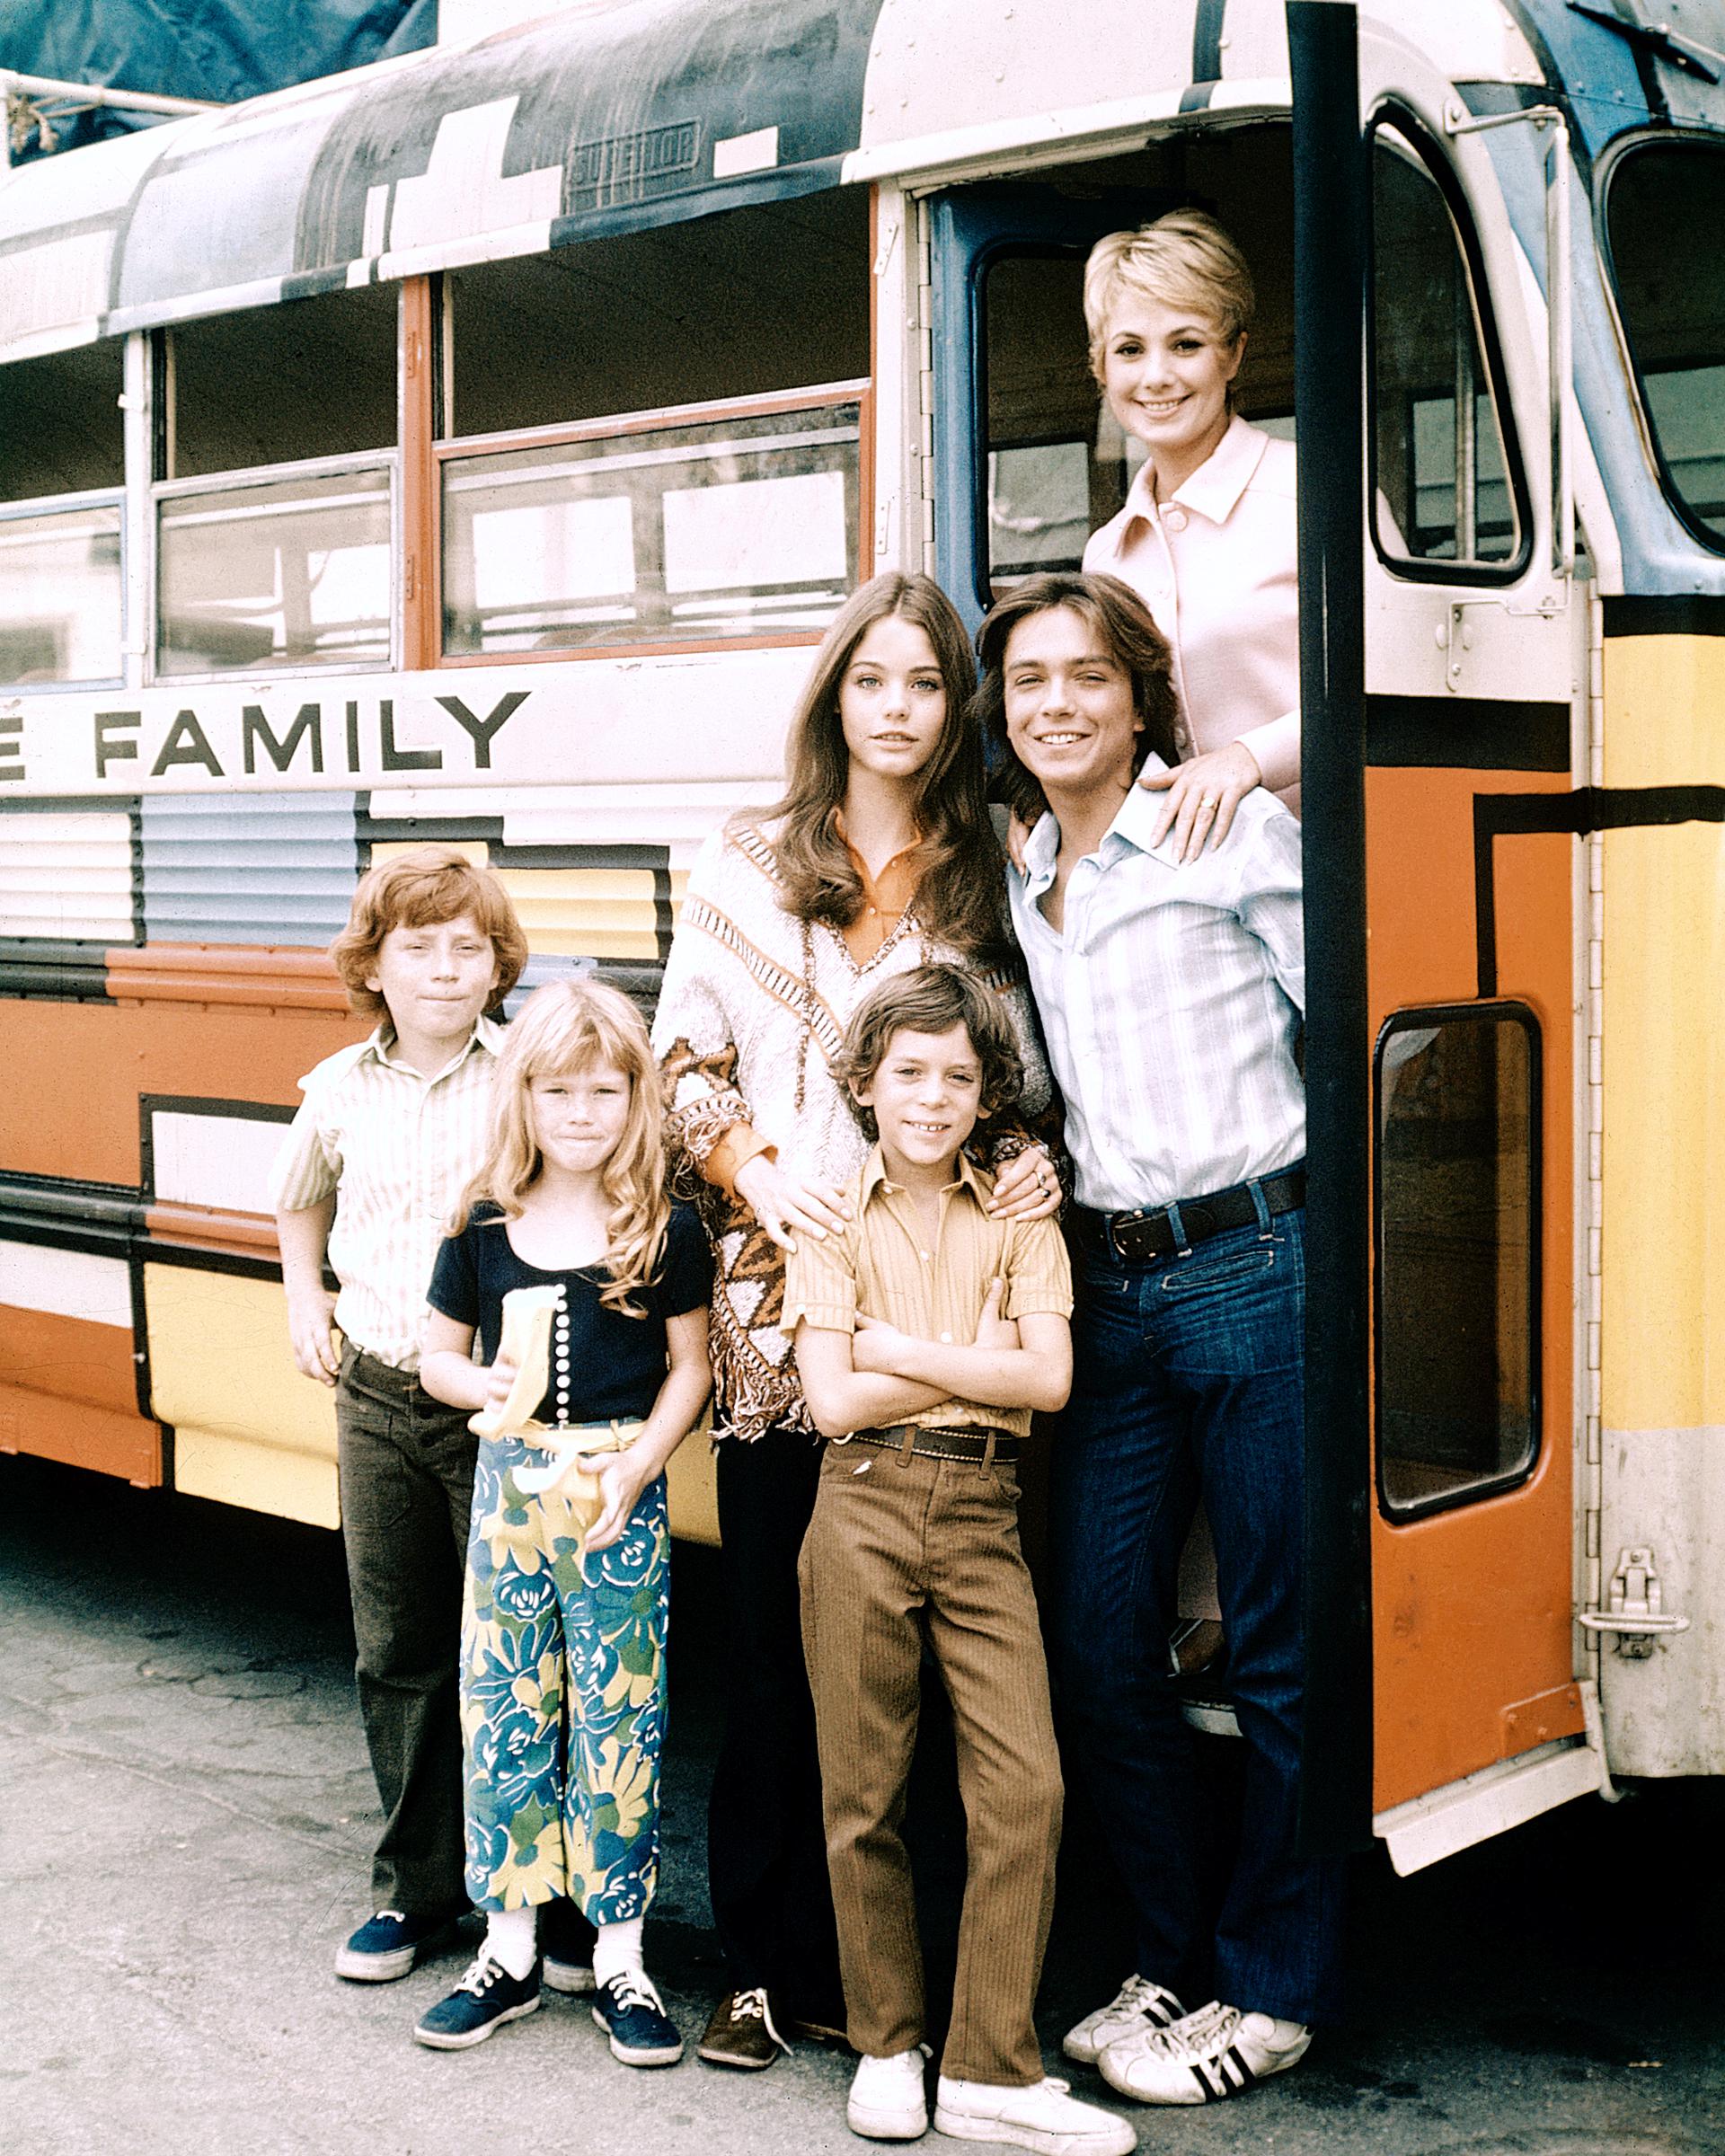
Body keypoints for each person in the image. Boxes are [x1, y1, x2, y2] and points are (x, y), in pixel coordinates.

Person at [651, 572, 1063, 2071]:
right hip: (774, 1306)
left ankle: (924, 1979)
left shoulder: (986, 868)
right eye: (871, 679)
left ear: (956, 711)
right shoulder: (751, 855)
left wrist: (1026, 1156)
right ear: (835, 695)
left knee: (933, 1665)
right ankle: (765, 1967)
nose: (897, 707)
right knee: (775, 1647)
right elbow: (681, 1058)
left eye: (926, 685)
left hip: (940, 1303)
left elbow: (1015, 1071)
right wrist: (757, 1169)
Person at [977, 571, 1342, 2105]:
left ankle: (1276, 1986)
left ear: (1141, 698)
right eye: (1030, 682)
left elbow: (1362, 1001)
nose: (1056, 703)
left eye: (1088, 677)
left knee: (1277, 1654)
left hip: (1255, 1259)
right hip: (1109, 1293)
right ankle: (1173, 1958)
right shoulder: (1016, 881)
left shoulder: (1228, 832)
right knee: (1101, 1646)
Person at [788, 964, 1134, 2156]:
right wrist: (961, 1353)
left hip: (984, 1514)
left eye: (958, 1077)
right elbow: (833, 1404)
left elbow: (1049, 1380)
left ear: (987, 1095)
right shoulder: (831, 1215)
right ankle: (888, 2046)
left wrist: (898, 1345)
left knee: (1024, 1784)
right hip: (864, 1503)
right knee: (864, 1789)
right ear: (868, 1086)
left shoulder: (1022, 1217)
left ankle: (991, 2065)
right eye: (910, 1074)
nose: (933, 1098)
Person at [272, 848, 592, 1994]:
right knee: (397, 1647)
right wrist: (306, 1295)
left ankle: (544, 1901)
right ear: (374, 965)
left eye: (469, 948)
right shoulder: (336, 1088)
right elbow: (300, 1197)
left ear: (500, 963)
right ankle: (418, 1888)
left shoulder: (525, 1076)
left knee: (520, 1654)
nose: (447, 971)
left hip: (501, 1407)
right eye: (418, 947)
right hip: (376, 1396)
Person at [411, 979, 712, 2058]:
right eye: (557, 1092)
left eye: (603, 1091)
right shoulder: (486, 1226)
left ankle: (622, 1956)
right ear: (523, 1098)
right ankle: (510, 1947)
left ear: (635, 1100)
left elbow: (690, 1370)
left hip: (616, 1494)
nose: (581, 1113)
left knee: (620, 1720)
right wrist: (481, 1388)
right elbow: (437, 1355)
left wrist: (639, 1463)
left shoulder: (662, 1228)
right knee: (503, 1708)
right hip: (511, 1491)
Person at [1082, 209, 1299, 860]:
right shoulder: (1106, 553)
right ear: (1102, 369)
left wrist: (1249, 758)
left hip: (1328, 866)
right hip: (1182, 884)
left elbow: (1393, 687)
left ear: (1233, 352)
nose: (1156, 377)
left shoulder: (1313, 496)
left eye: (1186, 344)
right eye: (1129, 350)